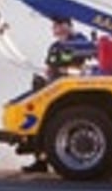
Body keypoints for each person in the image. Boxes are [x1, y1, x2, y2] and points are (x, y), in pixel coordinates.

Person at [22, 16, 89, 174]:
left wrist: (65, 71)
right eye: (54, 26)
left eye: (59, 25)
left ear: (68, 26)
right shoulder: (55, 47)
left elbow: (84, 64)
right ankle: (40, 160)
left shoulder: (80, 41)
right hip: (53, 88)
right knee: (42, 122)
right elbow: (49, 67)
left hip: (73, 89)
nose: (56, 29)